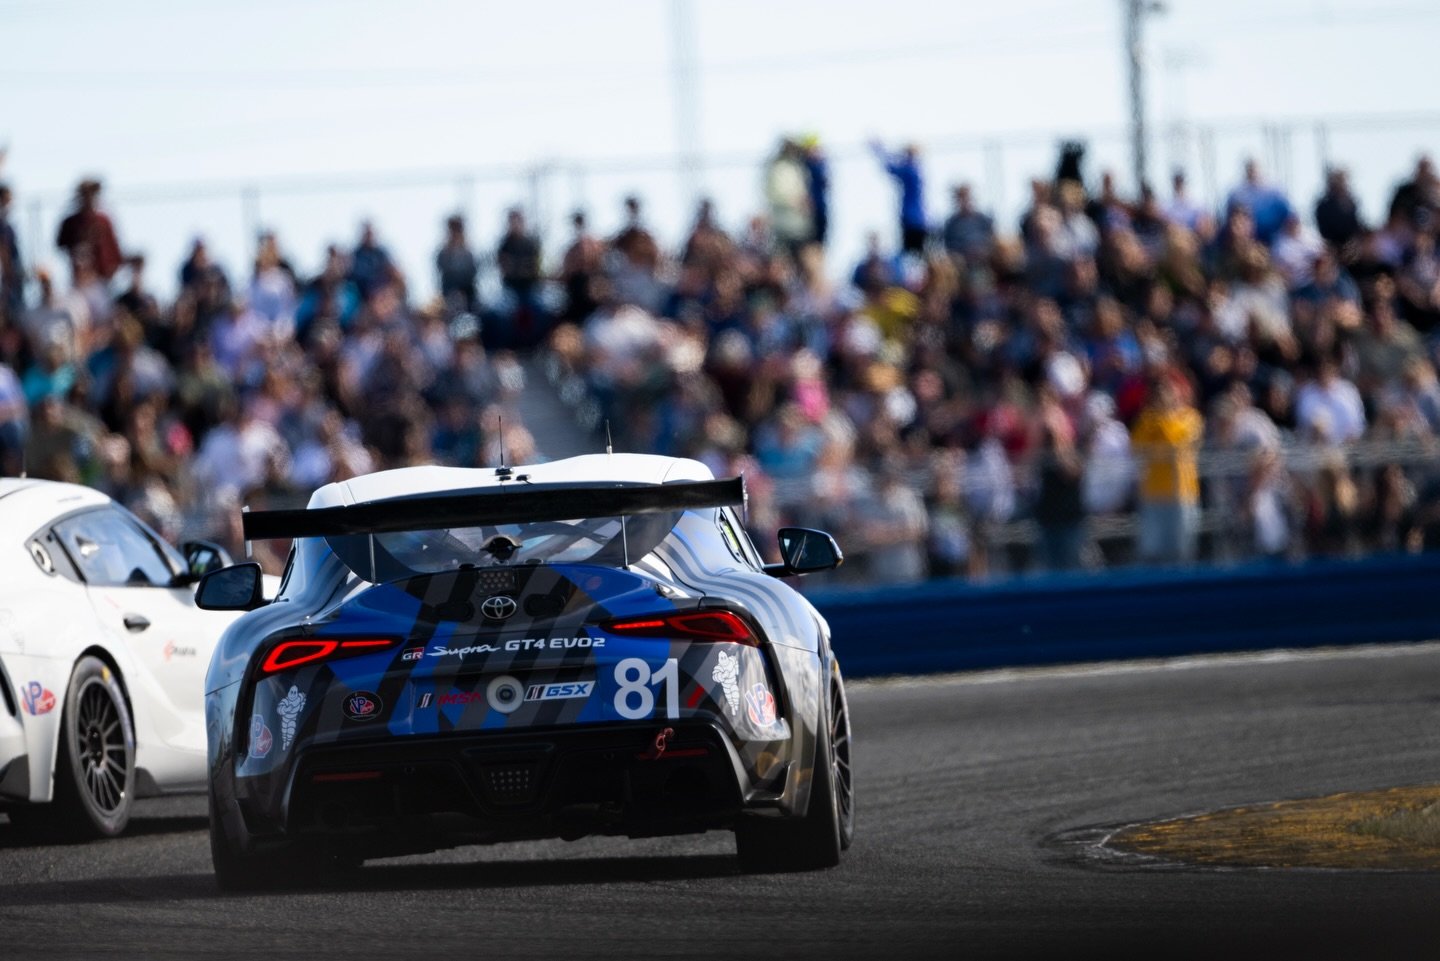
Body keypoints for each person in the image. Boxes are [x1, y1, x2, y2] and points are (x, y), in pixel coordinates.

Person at [1131, 378, 1204, 564]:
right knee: (1152, 550)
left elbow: (1176, 443)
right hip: (1153, 493)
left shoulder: (1190, 418)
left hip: (1182, 492)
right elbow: (1137, 447)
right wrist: (1157, 422)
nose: (1162, 398)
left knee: (1182, 549)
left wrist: (1162, 423)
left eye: (1167, 393)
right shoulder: (1147, 420)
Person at [55, 178, 123, 285]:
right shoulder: (71, 223)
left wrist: (112, 269)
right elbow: (62, 245)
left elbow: (114, 250)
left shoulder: (104, 221)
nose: (90, 198)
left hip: (104, 280)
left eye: (93, 194)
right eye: (86, 194)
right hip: (81, 281)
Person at [870, 140, 927, 254]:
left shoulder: (910, 170)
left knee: (912, 254)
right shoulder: (915, 169)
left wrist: (879, 150)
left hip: (912, 220)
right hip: (916, 219)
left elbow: (891, 168)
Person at [765, 138, 813, 260]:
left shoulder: (796, 167)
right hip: (783, 224)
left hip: (800, 224)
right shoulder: (777, 168)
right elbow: (774, 193)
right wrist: (793, 201)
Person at [435, 214, 478, 315]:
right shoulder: (443, 253)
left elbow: (472, 274)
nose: (455, 233)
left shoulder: (468, 253)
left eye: (458, 229)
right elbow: (443, 272)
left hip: (469, 297)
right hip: (449, 295)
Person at [941, 184, 994, 262]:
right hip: (961, 261)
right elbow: (949, 246)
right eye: (961, 198)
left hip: (985, 257)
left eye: (967, 197)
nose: (965, 201)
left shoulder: (983, 219)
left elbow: (991, 239)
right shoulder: (951, 224)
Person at [0, 183, 23, 327]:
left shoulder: (7, 223)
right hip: (9, 281)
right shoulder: (2, 224)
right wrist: (8, 279)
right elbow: (4, 250)